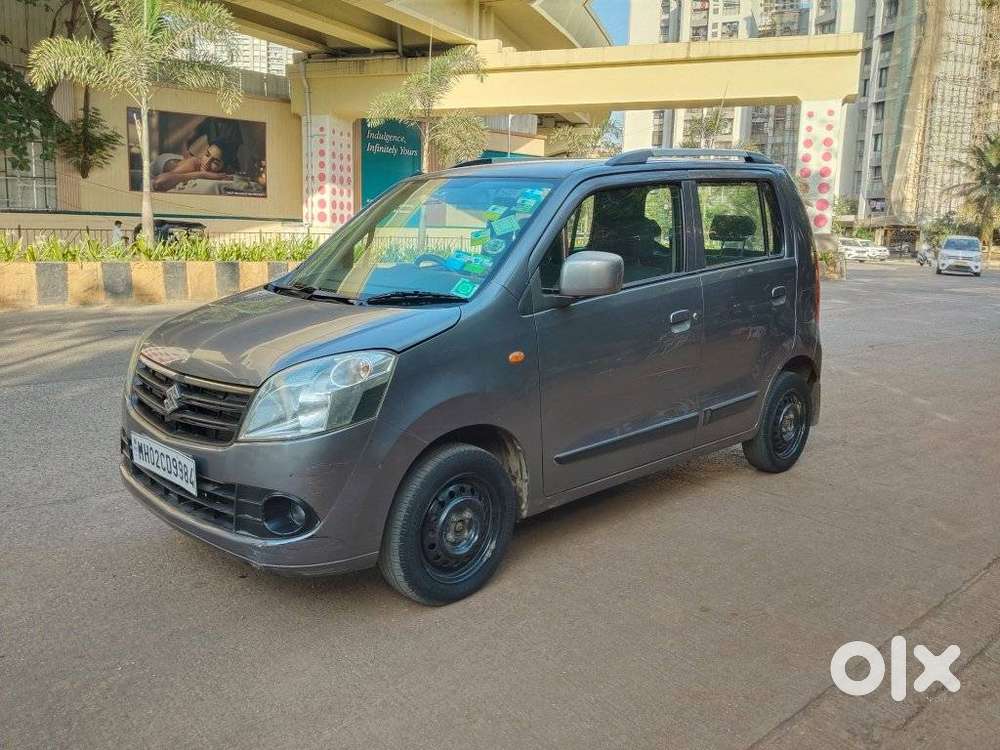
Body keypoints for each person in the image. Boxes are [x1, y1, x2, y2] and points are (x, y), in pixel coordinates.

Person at [151, 142, 232, 192]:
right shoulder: (193, 163)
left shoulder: (223, 172)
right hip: (163, 160)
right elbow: (158, 182)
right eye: (207, 155)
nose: (207, 162)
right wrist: (202, 174)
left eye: (215, 162)